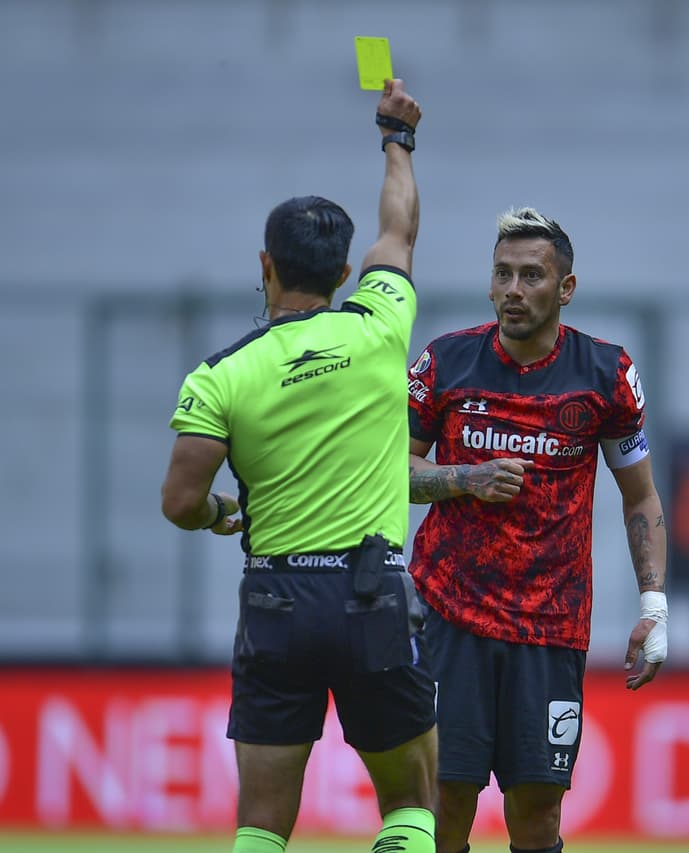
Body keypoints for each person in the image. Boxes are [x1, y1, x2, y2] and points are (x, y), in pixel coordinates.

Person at [160, 79, 439, 853]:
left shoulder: (219, 374)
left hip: (278, 599)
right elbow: (400, 229)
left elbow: (180, 498)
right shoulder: (381, 324)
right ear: (347, 273)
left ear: (266, 265)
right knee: (413, 804)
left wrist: (219, 514)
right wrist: (397, 138)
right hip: (370, 592)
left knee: (261, 825)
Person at [404, 207, 668, 853]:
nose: (514, 289)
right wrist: (465, 477)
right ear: (489, 284)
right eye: (503, 274)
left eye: (531, 275)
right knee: (444, 803)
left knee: (537, 815)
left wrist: (653, 606)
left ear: (565, 288)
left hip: (551, 626)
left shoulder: (606, 375)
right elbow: (392, 475)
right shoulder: (445, 363)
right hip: (451, 615)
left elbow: (640, 496)